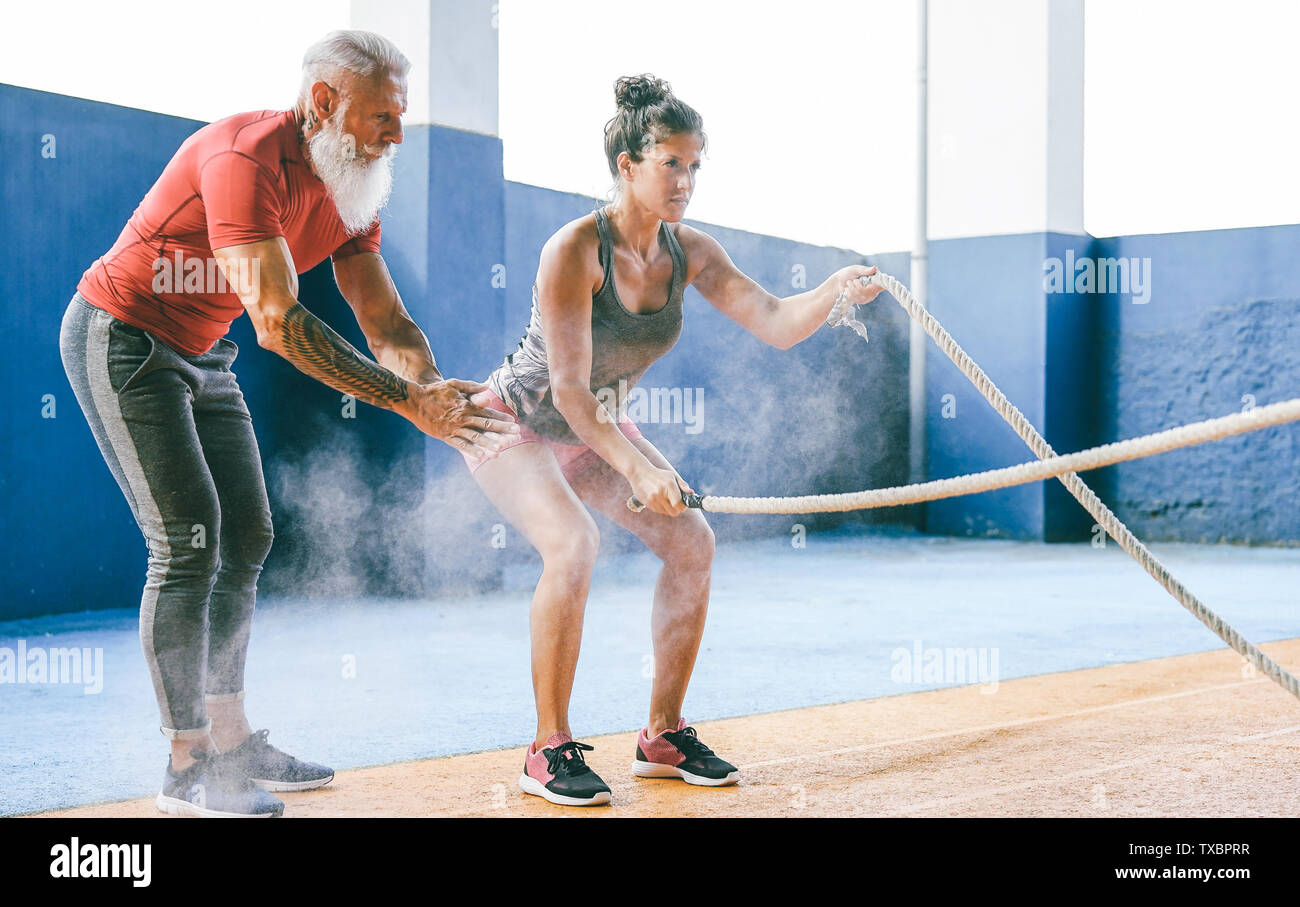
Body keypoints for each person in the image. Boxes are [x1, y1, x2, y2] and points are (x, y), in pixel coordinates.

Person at [58, 30, 517, 818]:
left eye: (402, 115)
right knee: (187, 539)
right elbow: (275, 319)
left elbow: (387, 322)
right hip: (123, 334)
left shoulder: (354, 185)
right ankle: (187, 765)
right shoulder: (245, 156)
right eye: (382, 115)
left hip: (202, 350)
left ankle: (232, 741)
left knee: (249, 533)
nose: (397, 134)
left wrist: (435, 390)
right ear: (323, 103)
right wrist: (410, 405)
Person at [465, 74, 883, 806]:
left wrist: (837, 289)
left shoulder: (690, 253)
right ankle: (545, 748)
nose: (686, 180)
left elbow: (779, 320)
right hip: (518, 421)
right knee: (573, 544)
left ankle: (661, 734)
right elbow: (567, 391)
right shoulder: (573, 250)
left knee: (692, 541)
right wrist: (635, 465)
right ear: (626, 165)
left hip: (593, 426)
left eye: (695, 165)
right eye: (670, 163)